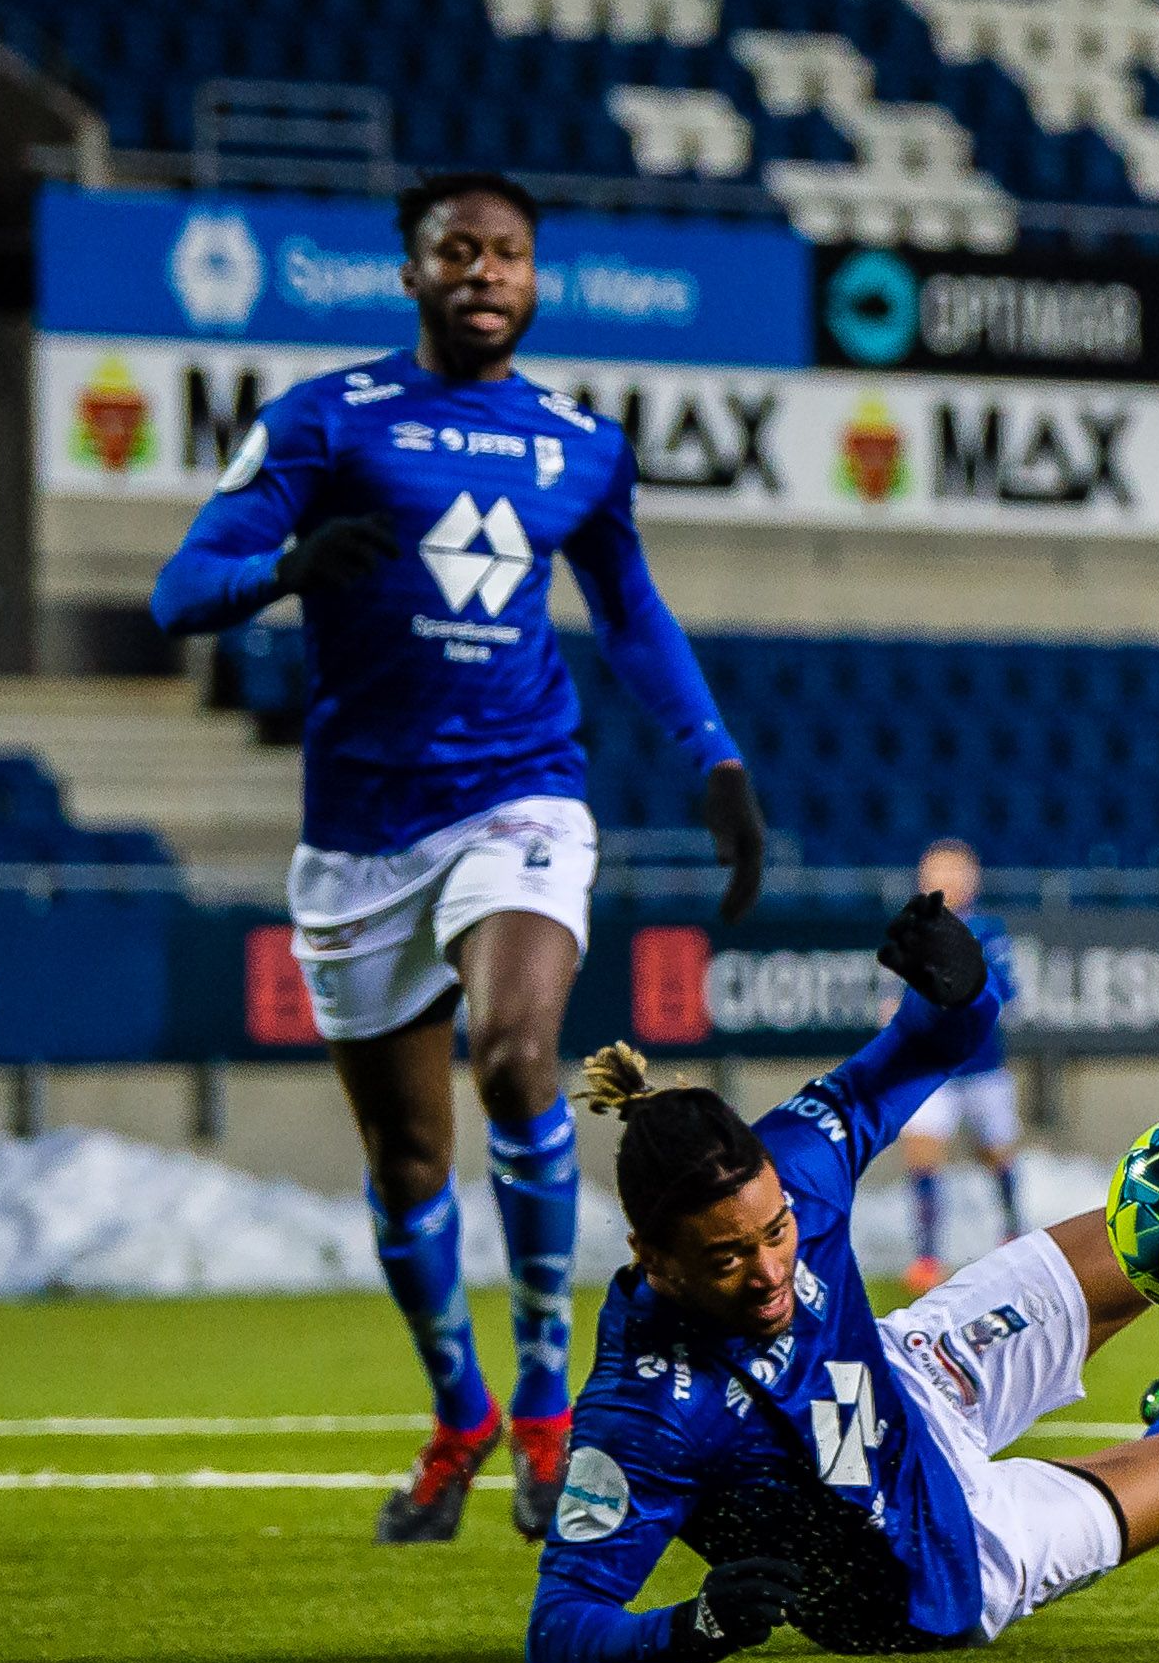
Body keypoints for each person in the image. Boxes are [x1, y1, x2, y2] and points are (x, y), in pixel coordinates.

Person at [151, 173, 766, 1545]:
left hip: (521, 794)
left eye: (510, 253)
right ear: (413, 273)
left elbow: (632, 612)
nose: (486, 270)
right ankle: (460, 1413)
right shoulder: (325, 419)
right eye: (458, 250)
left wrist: (715, 757)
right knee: (408, 1157)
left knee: (517, 1057)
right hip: (360, 833)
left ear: (535, 279)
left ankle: (547, 1408)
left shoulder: (580, 444)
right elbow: (179, 589)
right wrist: (287, 566)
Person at [526, 903, 1159, 1663]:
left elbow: (931, 1041)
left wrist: (960, 988)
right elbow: (560, 1627)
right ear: (651, 1257)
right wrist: (691, 1628)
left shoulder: (796, 1159)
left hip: (909, 1373)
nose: (769, 1271)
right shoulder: (644, 1410)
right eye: (726, 1260)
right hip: (934, 1565)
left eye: (777, 1233)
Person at [889, 839, 1022, 1295]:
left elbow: (1005, 992)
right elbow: (898, 995)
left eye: (953, 871)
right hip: (932, 1068)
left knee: (997, 1154)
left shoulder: (988, 931)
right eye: (936, 870)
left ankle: (1013, 1234)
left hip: (982, 1066)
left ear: (972, 880)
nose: (944, 880)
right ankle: (927, 1257)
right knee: (922, 1155)